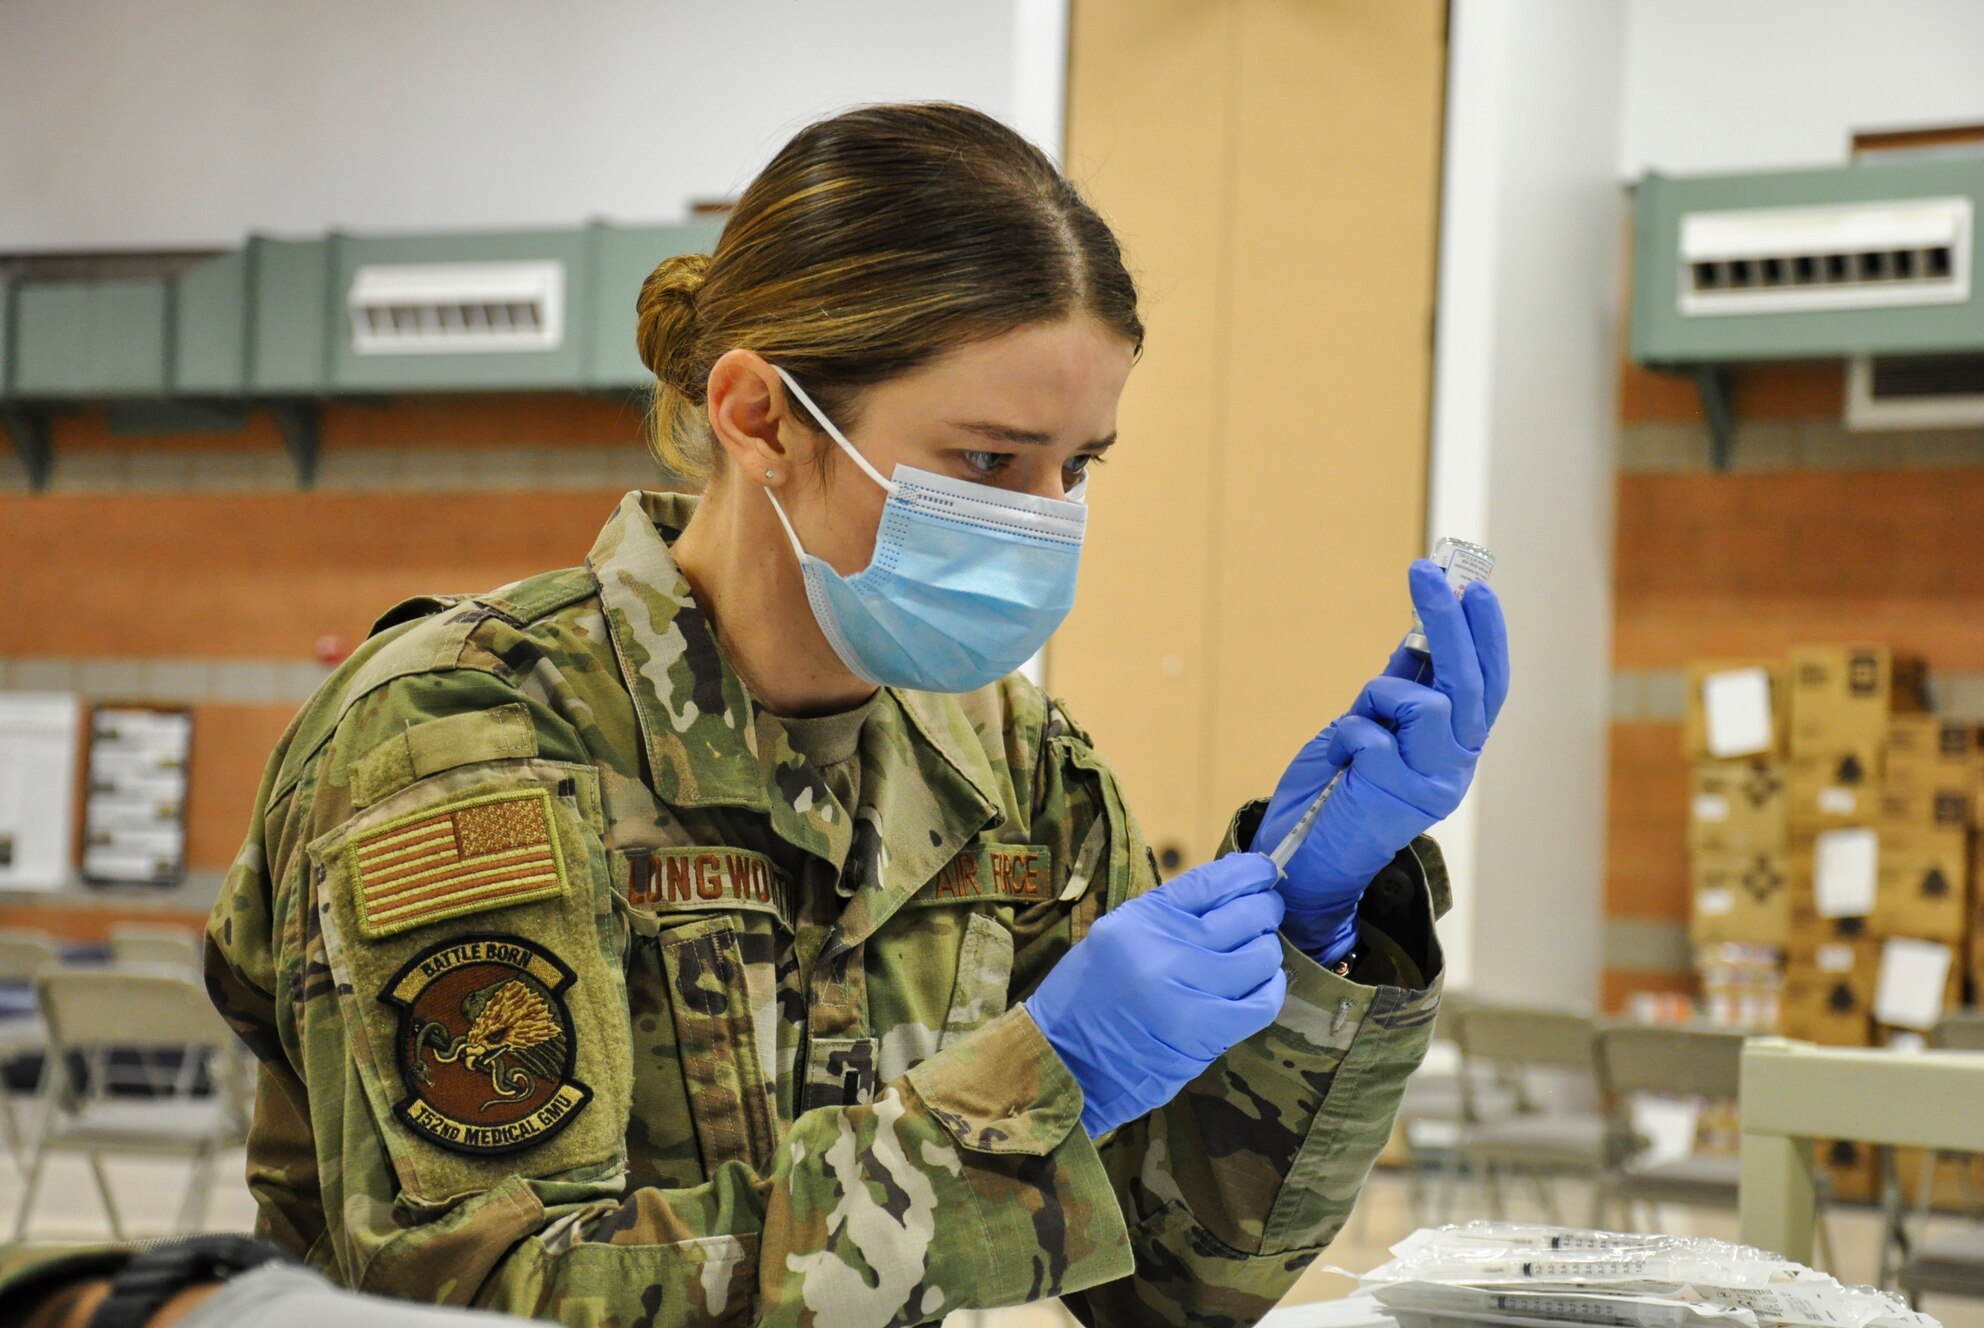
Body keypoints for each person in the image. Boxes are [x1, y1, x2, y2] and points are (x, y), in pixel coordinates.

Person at [202, 102, 1507, 1327]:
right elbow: (488, 1298)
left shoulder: (1016, 774)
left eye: (1078, 468)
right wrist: (1033, 1093)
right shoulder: (468, 741)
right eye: (989, 461)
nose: (1045, 518)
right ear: (761, 416)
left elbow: (1174, 1286)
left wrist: (1310, 935)